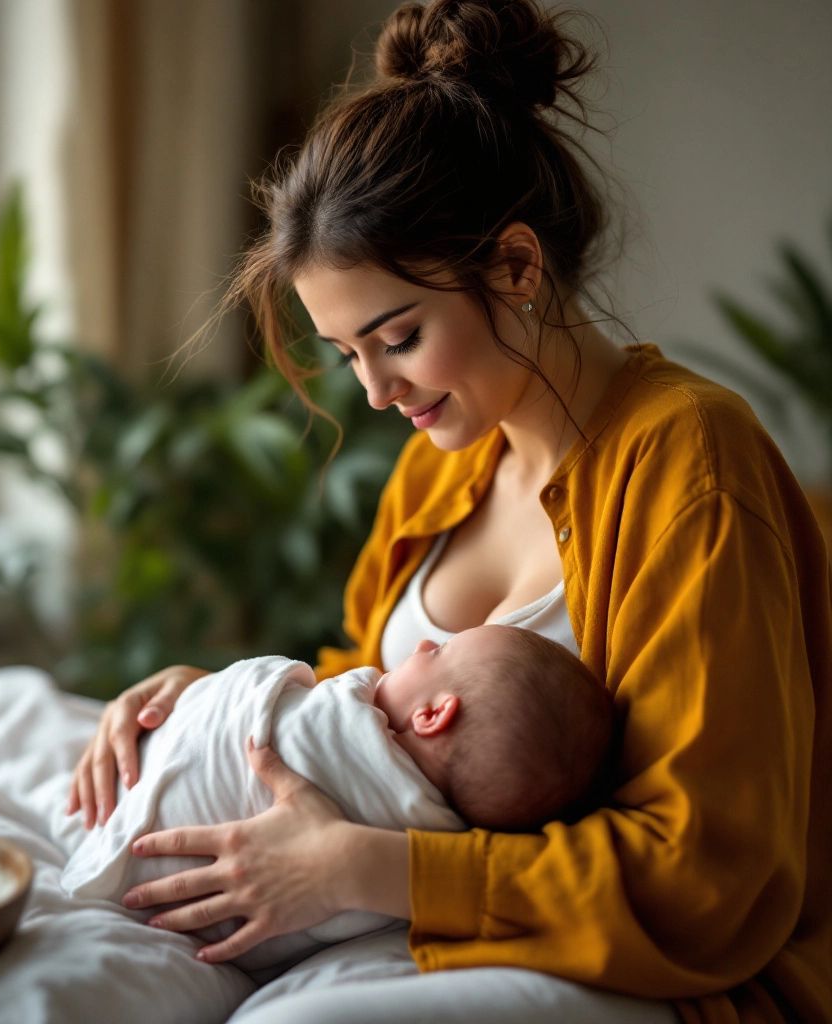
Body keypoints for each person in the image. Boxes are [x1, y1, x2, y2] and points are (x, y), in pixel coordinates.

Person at [65, 1, 832, 1021]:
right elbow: (378, 707)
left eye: (398, 336)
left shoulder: (691, 464)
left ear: (516, 266)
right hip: (406, 910)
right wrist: (212, 708)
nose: (377, 392)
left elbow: (703, 873)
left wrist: (371, 872)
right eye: (348, 356)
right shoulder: (441, 463)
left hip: (657, 964)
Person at [60, 624, 613, 978]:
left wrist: (239, 693)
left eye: (438, 650)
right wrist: (196, 686)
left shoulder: (353, 717)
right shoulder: (439, 835)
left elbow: (299, 694)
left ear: (432, 715)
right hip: (202, 939)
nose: (420, 643)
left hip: (127, 830)